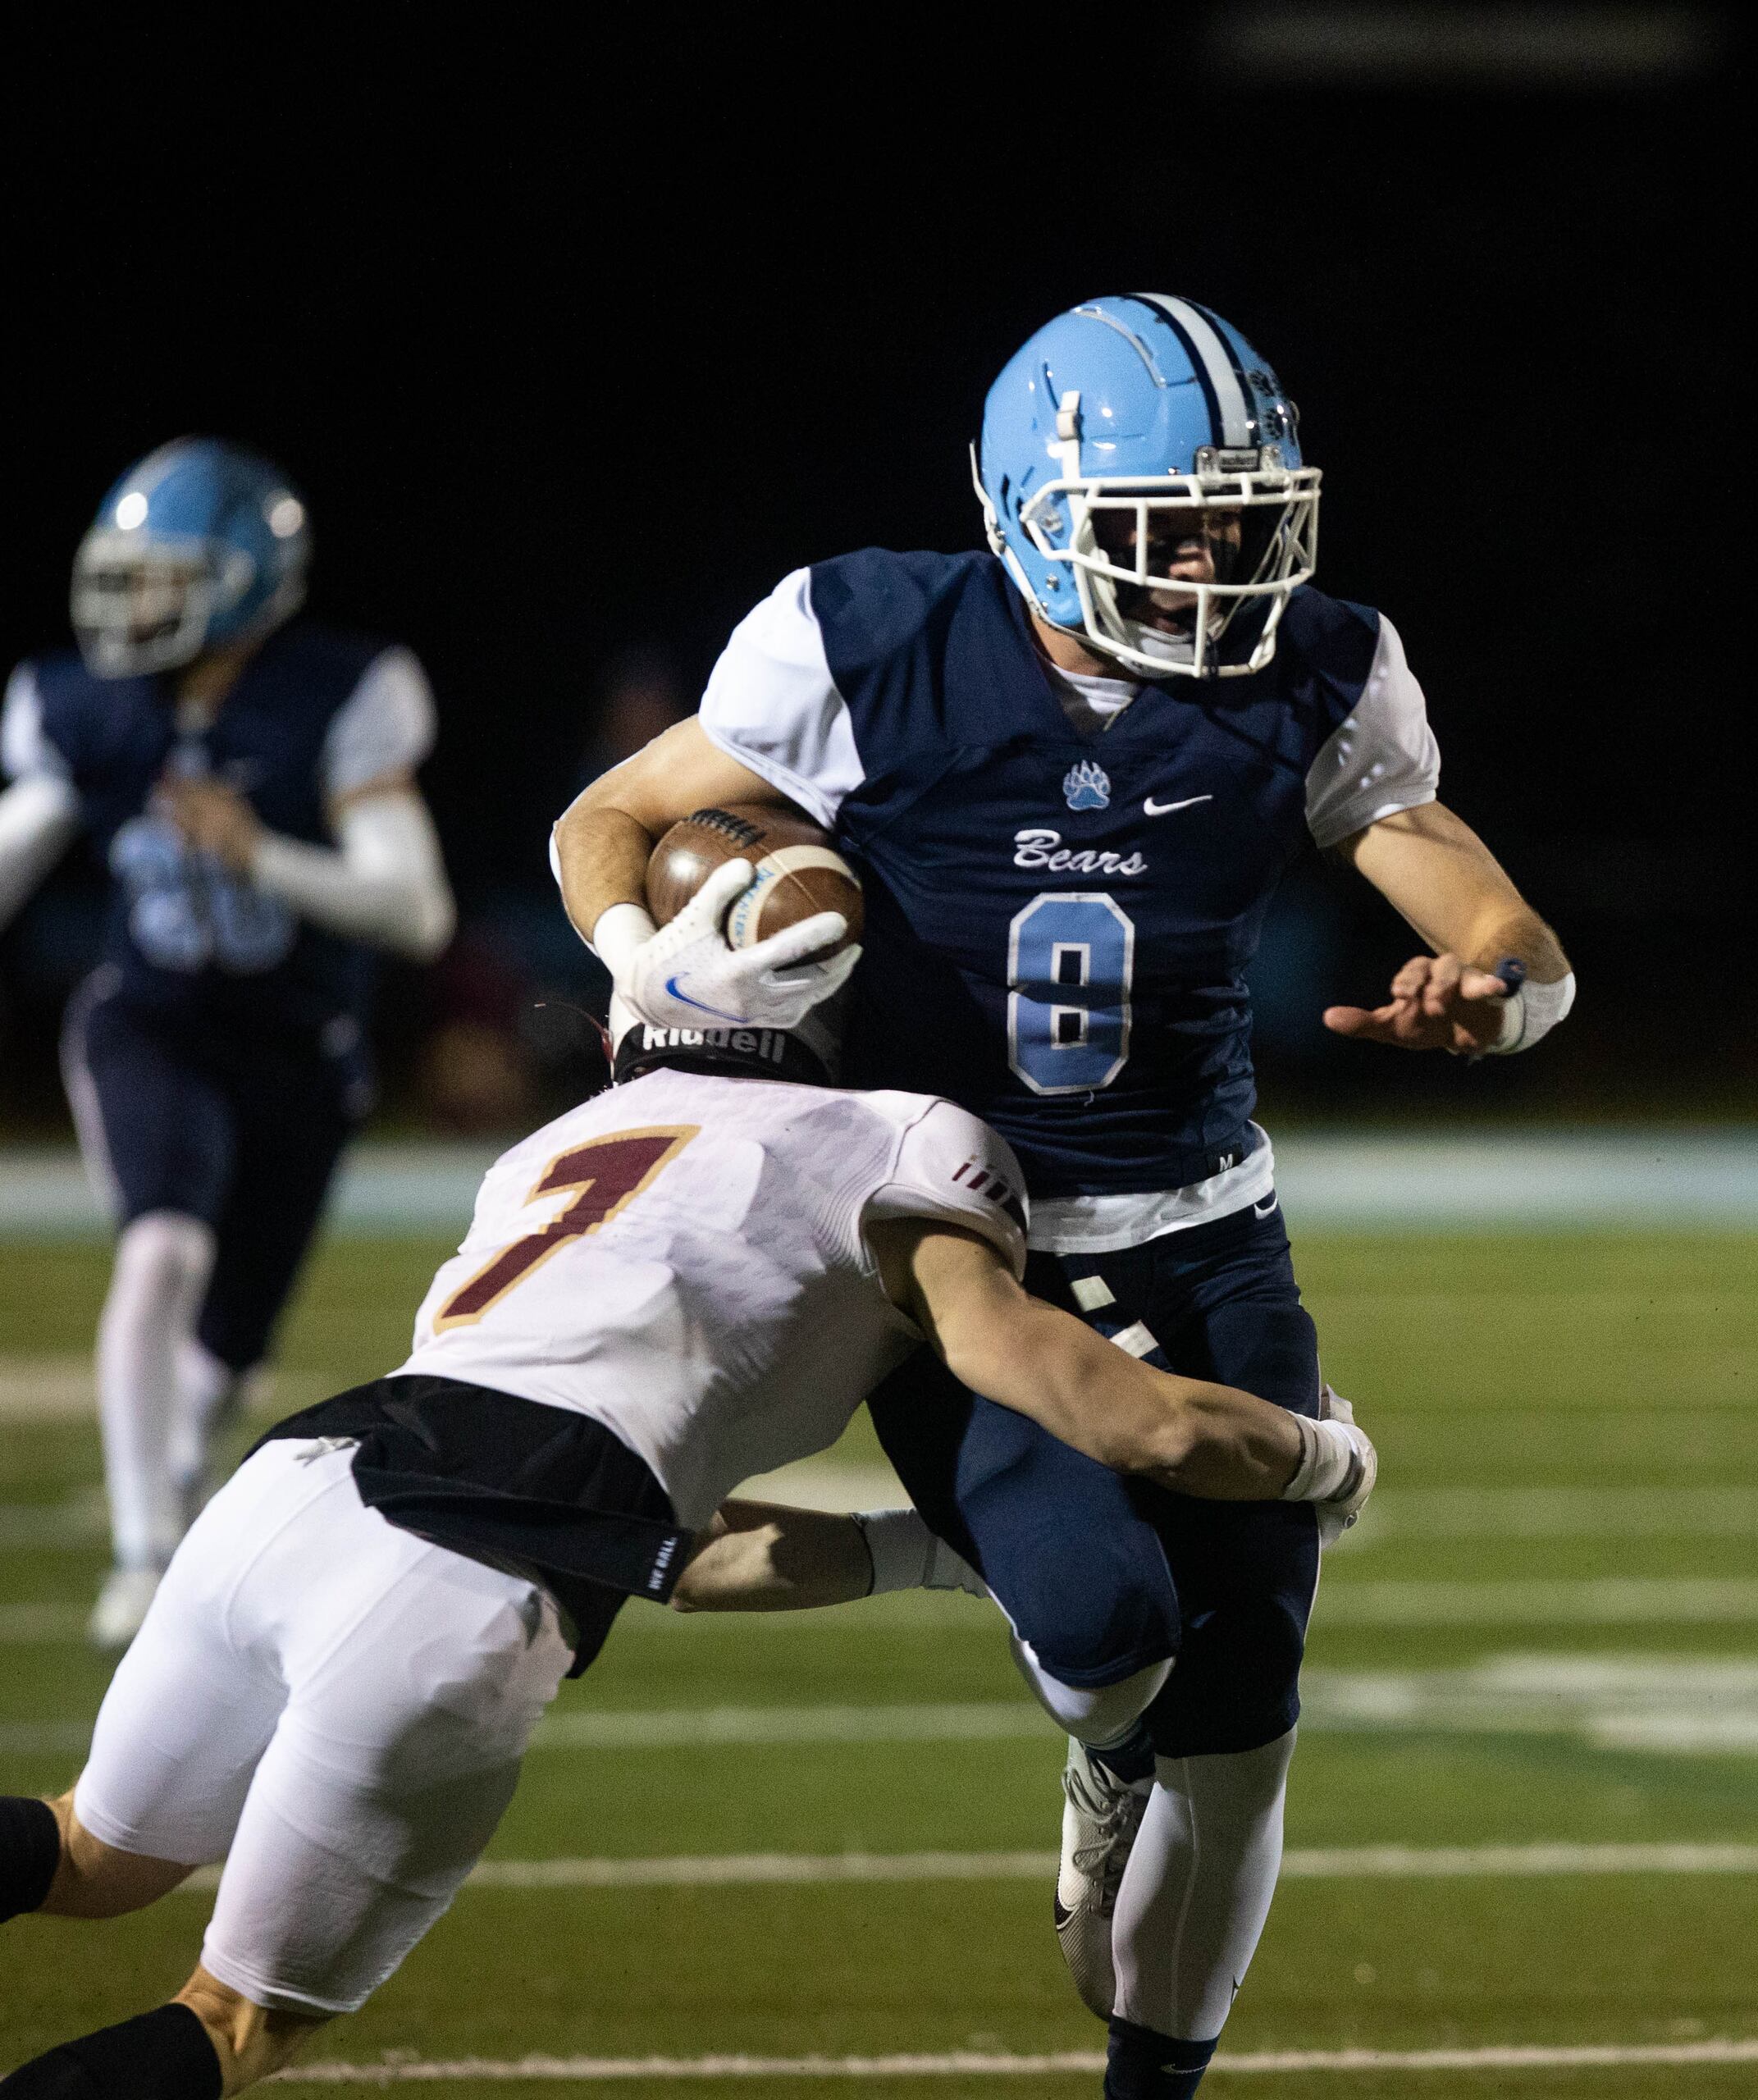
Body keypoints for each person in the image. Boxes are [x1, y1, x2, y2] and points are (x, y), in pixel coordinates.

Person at [551, 291, 1572, 2100]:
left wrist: (1497, 980)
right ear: (1033, 512)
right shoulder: (865, 638)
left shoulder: (1319, 667)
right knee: (1109, 1641)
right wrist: (657, 971)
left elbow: (1481, 901)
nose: (1217, 567)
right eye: (1171, 528)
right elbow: (609, 816)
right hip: (955, 1231)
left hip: (1203, 1226)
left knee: (1247, 1694)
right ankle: (1088, 1730)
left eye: (1244, 526)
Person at [0, 932, 1376, 2100]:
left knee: (86, 1855)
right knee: (234, 2023)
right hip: (455, 1589)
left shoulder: (563, 1142)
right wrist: (1319, 1454)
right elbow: (1133, 1420)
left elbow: (663, 1543)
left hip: (293, 1487)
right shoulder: (900, 1136)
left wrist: (935, 1557)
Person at [0, 441, 457, 1647]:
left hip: (299, 1046)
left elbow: (415, 910)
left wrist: (260, 851)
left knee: (230, 1359)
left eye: (167, 575)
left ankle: (175, 1481)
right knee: (159, 1254)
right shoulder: (89, 705)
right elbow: (22, 839)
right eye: (128, 572)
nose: (133, 600)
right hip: (149, 1020)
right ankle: (146, 1554)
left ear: (249, 579)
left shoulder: (339, 692)